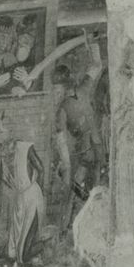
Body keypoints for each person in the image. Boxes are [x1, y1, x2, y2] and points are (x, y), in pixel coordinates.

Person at [53, 33, 105, 231]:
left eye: (57, 90)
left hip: (89, 151)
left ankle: (68, 227)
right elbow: (96, 66)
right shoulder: (81, 90)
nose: (57, 94)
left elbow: (61, 145)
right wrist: (93, 44)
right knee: (92, 189)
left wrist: (65, 170)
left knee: (78, 191)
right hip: (95, 149)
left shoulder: (64, 108)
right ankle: (72, 226)